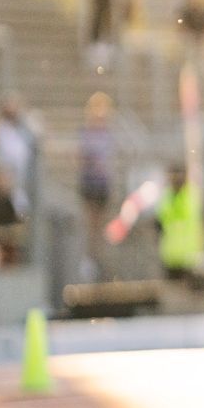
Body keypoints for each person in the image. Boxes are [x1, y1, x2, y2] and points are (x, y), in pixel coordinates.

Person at [77, 93, 118, 276]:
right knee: (91, 223)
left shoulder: (107, 133)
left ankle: (100, 258)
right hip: (91, 183)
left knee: (101, 225)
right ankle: (90, 259)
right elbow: (84, 158)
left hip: (102, 184)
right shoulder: (87, 133)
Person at [156, 163, 204, 280]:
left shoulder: (191, 195)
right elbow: (161, 221)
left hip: (190, 257)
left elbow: (184, 216)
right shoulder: (166, 196)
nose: (175, 180)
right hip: (170, 257)